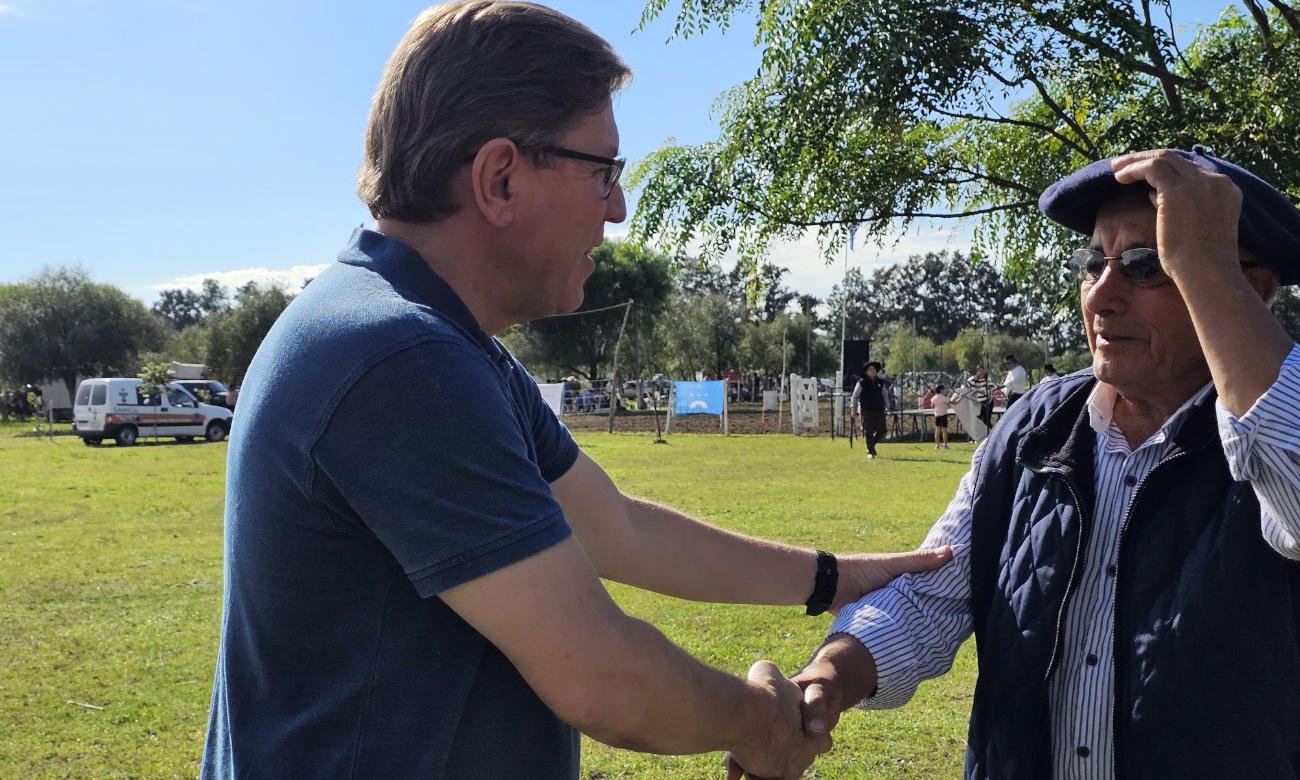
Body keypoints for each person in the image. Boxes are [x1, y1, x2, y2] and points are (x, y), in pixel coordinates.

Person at [200, 4, 951, 779]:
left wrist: (835, 577)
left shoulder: (433, 341)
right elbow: (602, 679)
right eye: (603, 171)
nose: (618, 207)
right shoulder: (402, 355)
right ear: (499, 178)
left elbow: (616, 528)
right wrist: (765, 726)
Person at [745, 147, 1300, 779]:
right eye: (1094, 262)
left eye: (1148, 264)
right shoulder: (1035, 426)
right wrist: (828, 678)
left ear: (1248, 290)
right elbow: (932, 595)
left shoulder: (1273, 437)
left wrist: (1204, 263)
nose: (1102, 295)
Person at [849, 361, 889, 459]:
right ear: (866, 372)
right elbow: (855, 396)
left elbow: (885, 395)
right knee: (869, 431)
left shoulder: (881, 382)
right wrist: (853, 409)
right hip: (866, 410)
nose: (872, 371)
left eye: (874, 369)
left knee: (882, 431)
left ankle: (871, 446)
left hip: (879, 409)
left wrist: (887, 407)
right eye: (870, 369)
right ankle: (871, 452)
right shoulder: (862, 383)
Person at [931, 384, 951, 450]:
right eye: (943, 389)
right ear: (941, 390)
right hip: (943, 415)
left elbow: (932, 404)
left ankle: (937, 445)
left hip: (937, 415)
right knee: (944, 431)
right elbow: (949, 402)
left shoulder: (934, 398)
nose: (944, 390)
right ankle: (945, 445)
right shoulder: (943, 397)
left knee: (937, 430)